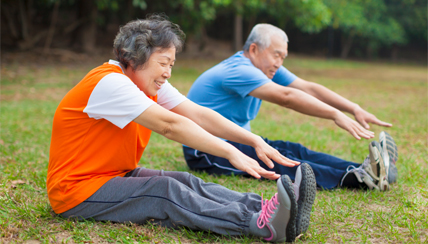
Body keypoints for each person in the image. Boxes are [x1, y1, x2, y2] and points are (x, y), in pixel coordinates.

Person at [46, 16, 318, 243]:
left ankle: (266, 208)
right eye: (163, 63)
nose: (168, 73)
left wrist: (253, 139)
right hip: (76, 192)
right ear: (136, 57)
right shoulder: (110, 83)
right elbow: (169, 125)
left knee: (186, 181)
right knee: (164, 190)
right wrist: (229, 151)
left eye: (171, 65)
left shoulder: (146, 83)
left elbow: (198, 113)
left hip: (111, 174)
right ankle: (262, 224)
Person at [183, 23, 399, 191]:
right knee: (282, 160)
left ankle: (365, 169)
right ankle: (358, 179)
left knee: (294, 150)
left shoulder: (265, 67)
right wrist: (334, 114)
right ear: (254, 49)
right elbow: (286, 96)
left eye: (283, 57)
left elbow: (307, 88)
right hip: (205, 151)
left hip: (236, 140)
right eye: (276, 54)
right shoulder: (239, 70)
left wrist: (353, 108)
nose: (279, 62)